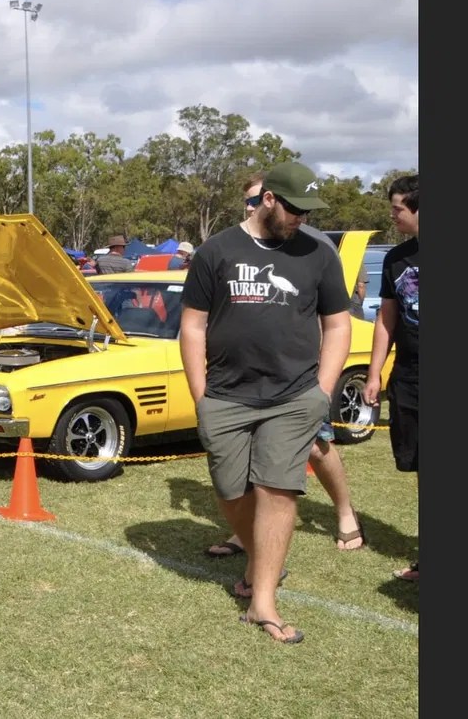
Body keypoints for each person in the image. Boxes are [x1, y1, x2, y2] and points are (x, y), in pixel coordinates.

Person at [180, 161, 349, 645]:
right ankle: (258, 561)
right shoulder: (217, 251)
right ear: (269, 199)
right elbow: (192, 326)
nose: (301, 218)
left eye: (307, 210)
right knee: (232, 491)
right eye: (294, 208)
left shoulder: (318, 253)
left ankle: (264, 602)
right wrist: (201, 396)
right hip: (226, 396)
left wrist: (322, 389)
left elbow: (337, 324)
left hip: (294, 396)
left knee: (278, 490)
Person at [202, 175, 368, 561]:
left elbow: (335, 319)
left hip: (300, 378)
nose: (249, 207)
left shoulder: (314, 245)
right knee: (250, 466)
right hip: (243, 387)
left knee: (316, 445)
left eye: (254, 200)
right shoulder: (233, 245)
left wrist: (323, 387)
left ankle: (344, 511)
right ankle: (249, 536)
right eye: (247, 202)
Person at [363, 173, 419, 583]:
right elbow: (386, 320)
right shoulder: (395, 259)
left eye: (398, 207)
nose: (392, 214)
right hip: (410, 380)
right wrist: (374, 372)